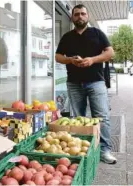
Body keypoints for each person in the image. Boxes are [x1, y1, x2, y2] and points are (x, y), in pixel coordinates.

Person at [55, 4, 117, 164]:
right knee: (78, 118)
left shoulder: (97, 33)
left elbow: (110, 52)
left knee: (101, 117)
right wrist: (70, 60)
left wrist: (92, 60)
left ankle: (104, 150)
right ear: (72, 17)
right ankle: (81, 150)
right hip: (74, 83)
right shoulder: (67, 37)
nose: (80, 17)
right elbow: (58, 57)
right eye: (76, 14)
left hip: (96, 82)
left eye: (83, 14)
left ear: (87, 16)